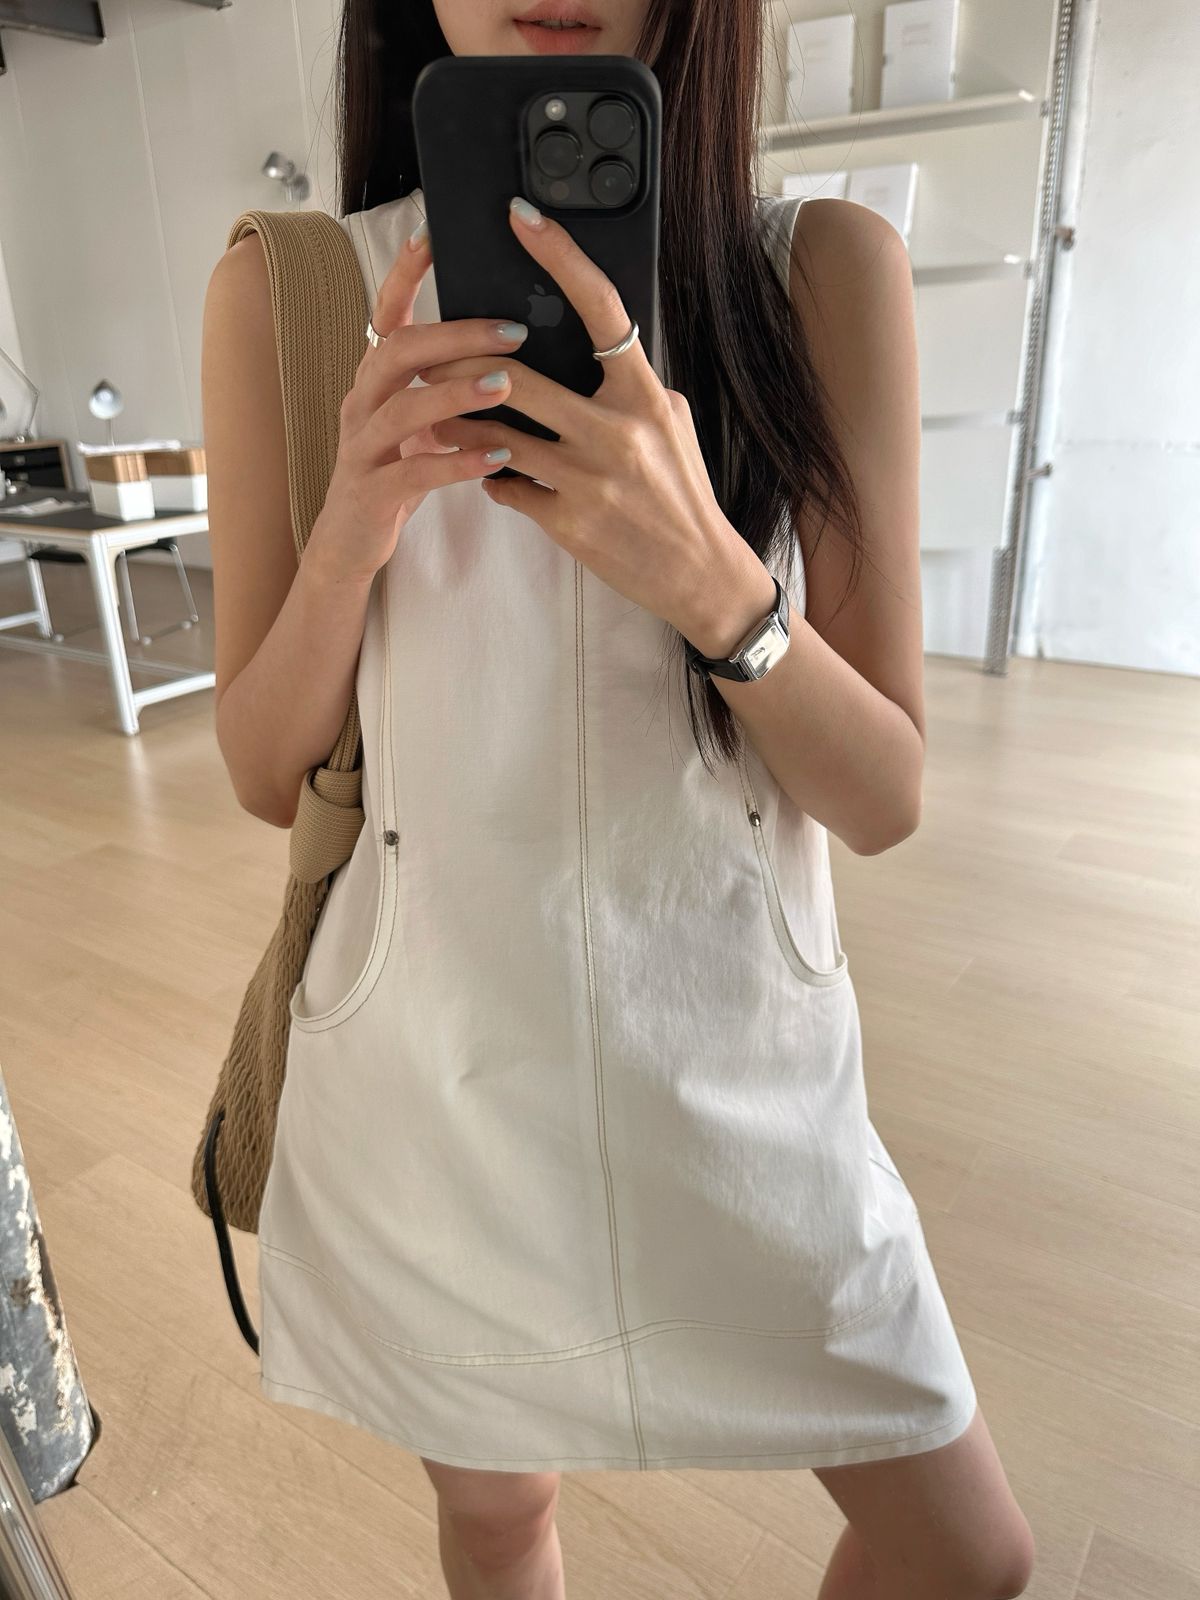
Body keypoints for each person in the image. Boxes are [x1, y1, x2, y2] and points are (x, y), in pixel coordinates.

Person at [201, 2, 1037, 1596]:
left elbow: (884, 795)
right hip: (436, 1072)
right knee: (500, 1519)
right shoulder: (290, 290)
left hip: (741, 1067)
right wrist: (352, 532)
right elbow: (260, 769)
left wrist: (712, 579)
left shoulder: (820, 275)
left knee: (965, 1554)